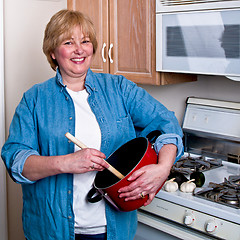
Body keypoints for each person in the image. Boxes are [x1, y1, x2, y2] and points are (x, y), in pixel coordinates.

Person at [1, 9, 183, 240]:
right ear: (53, 52)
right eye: (69, 42)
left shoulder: (119, 89)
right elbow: (16, 162)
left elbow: (166, 123)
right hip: (51, 230)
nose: (80, 49)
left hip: (113, 230)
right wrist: (68, 162)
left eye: (85, 41)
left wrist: (162, 169)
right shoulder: (34, 99)